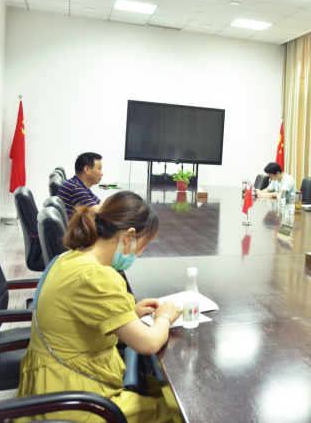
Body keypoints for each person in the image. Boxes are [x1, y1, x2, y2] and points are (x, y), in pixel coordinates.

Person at [15, 191, 183, 422]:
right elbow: (149, 343)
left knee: (164, 392)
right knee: (175, 410)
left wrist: (128, 314)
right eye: (144, 245)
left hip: (51, 381)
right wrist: (165, 316)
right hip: (75, 397)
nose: (140, 253)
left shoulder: (70, 258)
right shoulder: (95, 276)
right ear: (128, 236)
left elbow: (80, 318)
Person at [58, 152, 104, 218]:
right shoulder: (75, 188)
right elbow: (101, 213)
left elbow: (101, 204)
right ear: (87, 169)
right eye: (99, 168)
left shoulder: (77, 184)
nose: (102, 173)